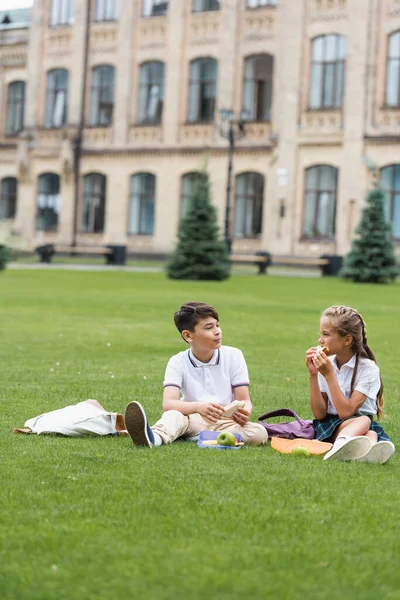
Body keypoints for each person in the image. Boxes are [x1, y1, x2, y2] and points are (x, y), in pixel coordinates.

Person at [124, 301, 268, 448]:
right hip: (192, 419)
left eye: (217, 325)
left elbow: (244, 399)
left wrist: (245, 413)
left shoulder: (234, 355)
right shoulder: (177, 361)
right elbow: (168, 404)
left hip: (227, 422)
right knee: (173, 416)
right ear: (188, 336)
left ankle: (196, 437)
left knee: (259, 432)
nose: (217, 331)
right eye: (209, 327)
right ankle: (154, 439)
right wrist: (199, 407)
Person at [306, 305, 395, 463]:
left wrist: (329, 374)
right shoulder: (327, 364)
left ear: (347, 340)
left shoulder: (368, 369)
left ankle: (359, 453)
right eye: (321, 334)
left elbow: (347, 412)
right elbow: (319, 414)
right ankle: (342, 445)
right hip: (331, 424)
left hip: (357, 422)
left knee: (370, 431)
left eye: (326, 334)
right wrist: (313, 374)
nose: (320, 340)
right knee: (365, 422)